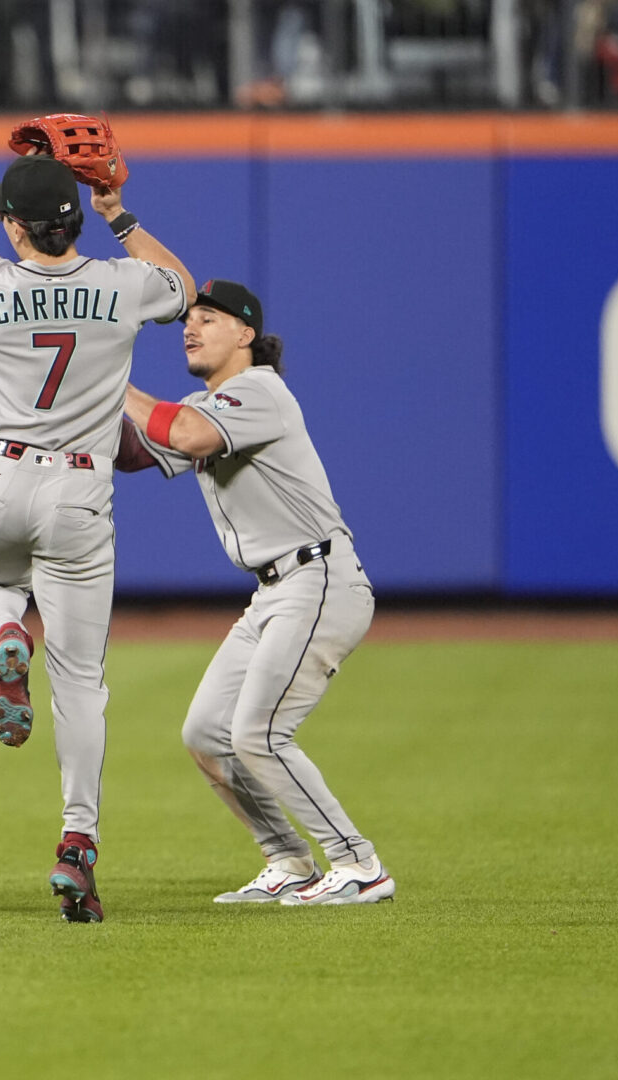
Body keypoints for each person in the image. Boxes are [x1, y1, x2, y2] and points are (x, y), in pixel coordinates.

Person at [0, 154, 195, 922]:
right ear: (70, 221)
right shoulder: (120, 282)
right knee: (80, 684)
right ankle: (77, 842)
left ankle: (6, 633)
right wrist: (118, 213)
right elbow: (183, 289)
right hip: (81, 488)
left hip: (2, 474)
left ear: (14, 227)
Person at [117, 279, 394, 906]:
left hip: (319, 579)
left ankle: (359, 865)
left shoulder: (261, 392)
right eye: (188, 318)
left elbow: (185, 435)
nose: (191, 327)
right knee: (206, 732)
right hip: (273, 594)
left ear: (245, 334)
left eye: (208, 318)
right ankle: (289, 860)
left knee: (259, 734)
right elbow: (137, 451)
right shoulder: (204, 404)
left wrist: (111, 379)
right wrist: (53, 411)